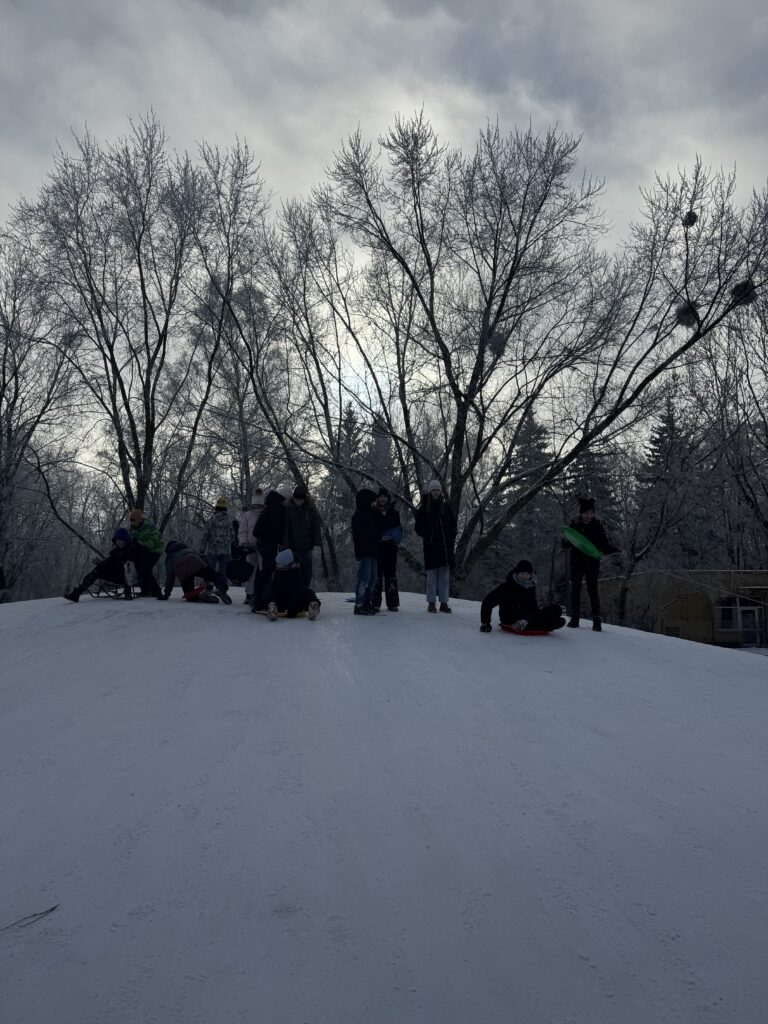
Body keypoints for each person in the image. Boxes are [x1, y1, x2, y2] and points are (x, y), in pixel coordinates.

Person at [562, 496, 618, 632]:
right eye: (586, 513)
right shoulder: (574, 525)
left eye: (591, 513)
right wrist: (565, 540)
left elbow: (604, 545)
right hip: (576, 562)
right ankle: (574, 620)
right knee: (575, 590)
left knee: (593, 590)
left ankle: (597, 622)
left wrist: (614, 550)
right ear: (581, 513)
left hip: (592, 562)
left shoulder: (597, 527)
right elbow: (568, 543)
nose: (589, 516)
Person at [479, 560, 566, 632]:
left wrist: (539, 613)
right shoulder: (506, 587)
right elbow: (488, 602)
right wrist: (485, 623)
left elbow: (533, 605)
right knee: (550, 621)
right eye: (522, 573)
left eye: (527, 574)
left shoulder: (530, 587)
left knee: (556, 609)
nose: (525, 576)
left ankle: (531, 623)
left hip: (530, 616)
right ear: (517, 573)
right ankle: (525, 624)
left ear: (530, 575)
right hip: (511, 618)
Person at [414, 479, 456, 613]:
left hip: (445, 548)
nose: (436, 492)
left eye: (438, 490)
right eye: (434, 490)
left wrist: (451, 536)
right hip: (431, 548)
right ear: (430, 491)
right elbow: (418, 527)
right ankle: (431, 602)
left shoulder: (446, 507)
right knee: (432, 576)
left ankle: (444, 602)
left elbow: (453, 525)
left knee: (444, 577)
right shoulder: (424, 508)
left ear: (441, 491)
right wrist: (429, 535)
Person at [64, 528, 135, 602]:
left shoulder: (132, 549)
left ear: (125, 540)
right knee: (98, 570)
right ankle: (76, 594)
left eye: (120, 540)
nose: (118, 542)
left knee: (128, 565)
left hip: (131, 577)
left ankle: (128, 593)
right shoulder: (116, 552)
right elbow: (109, 562)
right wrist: (101, 563)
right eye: (117, 541)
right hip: (118, 576)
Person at [157, 540, 232, 603]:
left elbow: (170, 576)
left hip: (183, 573)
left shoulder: (169, 557)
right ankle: (221, 588)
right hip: (196, 563)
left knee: (190, 595)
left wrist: (166, 594)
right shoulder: (187, 549)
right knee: (216, 576)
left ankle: (199, 598)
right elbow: (203, 557)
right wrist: (207, 576)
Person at [256, 548, 321, 621]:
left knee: (309, 592)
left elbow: (300, 589)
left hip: (295, 602)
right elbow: (272, 588)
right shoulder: (278, 573)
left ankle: (313, 605)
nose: (278, 566)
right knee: (270, 591)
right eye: (278, 564)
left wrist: (294, 607)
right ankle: (272, 607)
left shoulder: (296, 574)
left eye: (280, 565)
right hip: (281, 601)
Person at [283, 485, 322, 588]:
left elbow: (316, 527)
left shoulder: (311, 510)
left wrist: (317, 544)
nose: (299, 502)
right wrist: (286, 546)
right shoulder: (288, 510)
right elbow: (286, 529)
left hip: (307, 547)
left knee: (307, 571)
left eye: (301, 500)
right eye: (297, 499)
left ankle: (304, 590)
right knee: (293, 572)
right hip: (293, 547)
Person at [371, 487, 401, 611]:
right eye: (381, 496)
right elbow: (371, 529)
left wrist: (393, 537)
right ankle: (375, 603)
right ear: (378, 498)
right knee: (377, 576)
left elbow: (399, 529)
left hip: (391, 548)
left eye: (385, 496)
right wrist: (379, 536)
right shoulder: (372, 512)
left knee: (391, 575)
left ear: (388, 498)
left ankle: (393, 603)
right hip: (377, 548)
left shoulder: (394, 513)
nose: (382, 498)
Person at [351, 487, 380, 616]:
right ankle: (360, 603)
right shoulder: (359, 515)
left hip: (373, 551)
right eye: (372, 501)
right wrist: (377, 536)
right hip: (365, 552)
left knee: (372, 578)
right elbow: (362, 535)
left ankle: (367, 602)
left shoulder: (370, 513)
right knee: (365, 578)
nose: (375, 503)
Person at [127, 509, 164, 597]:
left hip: (154, 550)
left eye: (134, 521)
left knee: (146, 567)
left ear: (139, 520)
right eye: (131, 521)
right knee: (139, 567)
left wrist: (141, 543)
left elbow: (154, 541)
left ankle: (155, 591)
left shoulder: (150, 527)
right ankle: (145, 590)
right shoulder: (132, 529)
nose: (132, 523)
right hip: (141, 551)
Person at [238, 490, 265, 604]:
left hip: (263, 548)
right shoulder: (247, 515)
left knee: (264, 570)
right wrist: (243, 542)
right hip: (250, 548)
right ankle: (249, 594)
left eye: (259, 505)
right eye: (256, 505)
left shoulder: (265, 514)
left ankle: (263, 593)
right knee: (250, 572)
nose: (257, 507)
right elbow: (243, 530)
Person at [202, 497, 233, 578]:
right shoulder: (229, 521)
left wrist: (202, 549)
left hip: (212, 550)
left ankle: (209, 586)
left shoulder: (211, 520)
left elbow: (205, 535)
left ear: (216, 508)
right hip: (225, 551)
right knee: (223, 571)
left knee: (210, 570)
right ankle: (222, 588)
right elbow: (232, 536)